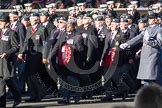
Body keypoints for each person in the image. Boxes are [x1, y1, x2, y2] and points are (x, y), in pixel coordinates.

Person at [120, 13, 162, 86]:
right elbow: (137, 38)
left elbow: (159, 43)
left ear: (155, 20)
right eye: (149, 18)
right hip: (145, 56)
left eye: (151, 18)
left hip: (153, 56)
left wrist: (147, 41)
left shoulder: (159, 29)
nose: (149, 20)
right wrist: (127, 44)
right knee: (146, 78)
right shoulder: (147, 29)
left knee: (153, 77)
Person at [18, 12, 48, 102]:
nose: (31, 21)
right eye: (30, 20)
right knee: (28, 75)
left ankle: (40, 93)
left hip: (38, 55)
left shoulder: (42, 29)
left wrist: (45, 56)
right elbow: (26, 42)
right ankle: (33, 94)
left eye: (33, 20)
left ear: (37, 20)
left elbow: (45, 44)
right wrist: (21, 52)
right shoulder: (29, 29)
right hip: (29, 55)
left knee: (35, 75)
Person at [0, 12, 20, 108]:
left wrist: (7, 53)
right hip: (0, 62)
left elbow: (15, 47)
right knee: (0, 82)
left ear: (7, 23)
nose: (0, 23)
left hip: (7, 61)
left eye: (2, 21)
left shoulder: (12, 33)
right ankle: (2, 104)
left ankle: (17, 97)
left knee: (8, 80)